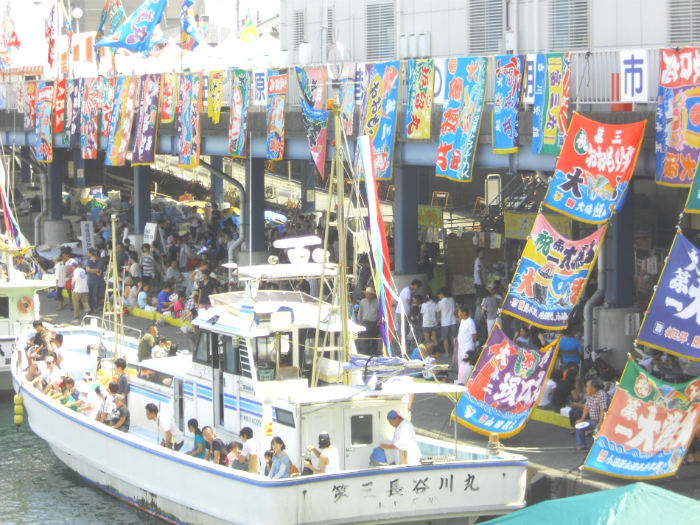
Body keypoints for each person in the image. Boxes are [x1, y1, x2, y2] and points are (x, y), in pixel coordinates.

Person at [574, 378, 608, 451]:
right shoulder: (589, 395)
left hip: (601, 422)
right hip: (592, 421)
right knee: (578, 426)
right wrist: (582, 419)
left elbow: (603, 409)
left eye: (587, 387)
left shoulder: (602, 395)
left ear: (593, 389)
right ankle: (581, 445)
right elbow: (586, 406)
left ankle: (599, 450)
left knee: (598, 438)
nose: (585, 388)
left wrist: (600, 422)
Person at [357, 287, 380, 356]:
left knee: (374, 340)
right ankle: (366, 355)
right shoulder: (363, 302)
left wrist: (379, 321)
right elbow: (360, 312)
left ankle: (374, 354)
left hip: (374, 323)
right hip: (366, 323)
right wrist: (359, 321)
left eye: (369, 295)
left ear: (372, 295)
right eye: (366, 295)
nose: (367, 296)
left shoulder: (377, 302)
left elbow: (381, 312)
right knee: (366, 340)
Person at [437, 288, 457, 357]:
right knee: (454, 338)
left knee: (445, 338)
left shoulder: (441, 302)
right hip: (453, 321)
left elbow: (438, 312)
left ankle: (447, 353)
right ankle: (455, 352)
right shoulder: (452, 299)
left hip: (445, 322)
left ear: (441, 294)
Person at [85, 249, 104, 313]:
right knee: (89, 295)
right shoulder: (88, 262)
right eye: (94, 256)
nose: (95, 257)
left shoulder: (99, 262)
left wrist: (91, 270)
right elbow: (87, 269)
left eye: (96, 256)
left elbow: (98, 270)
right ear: (92, 256)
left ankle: (94, 307)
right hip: (89, 281)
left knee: (95, 295)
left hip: (96, 281)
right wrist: (95, 271)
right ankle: (89, 307)